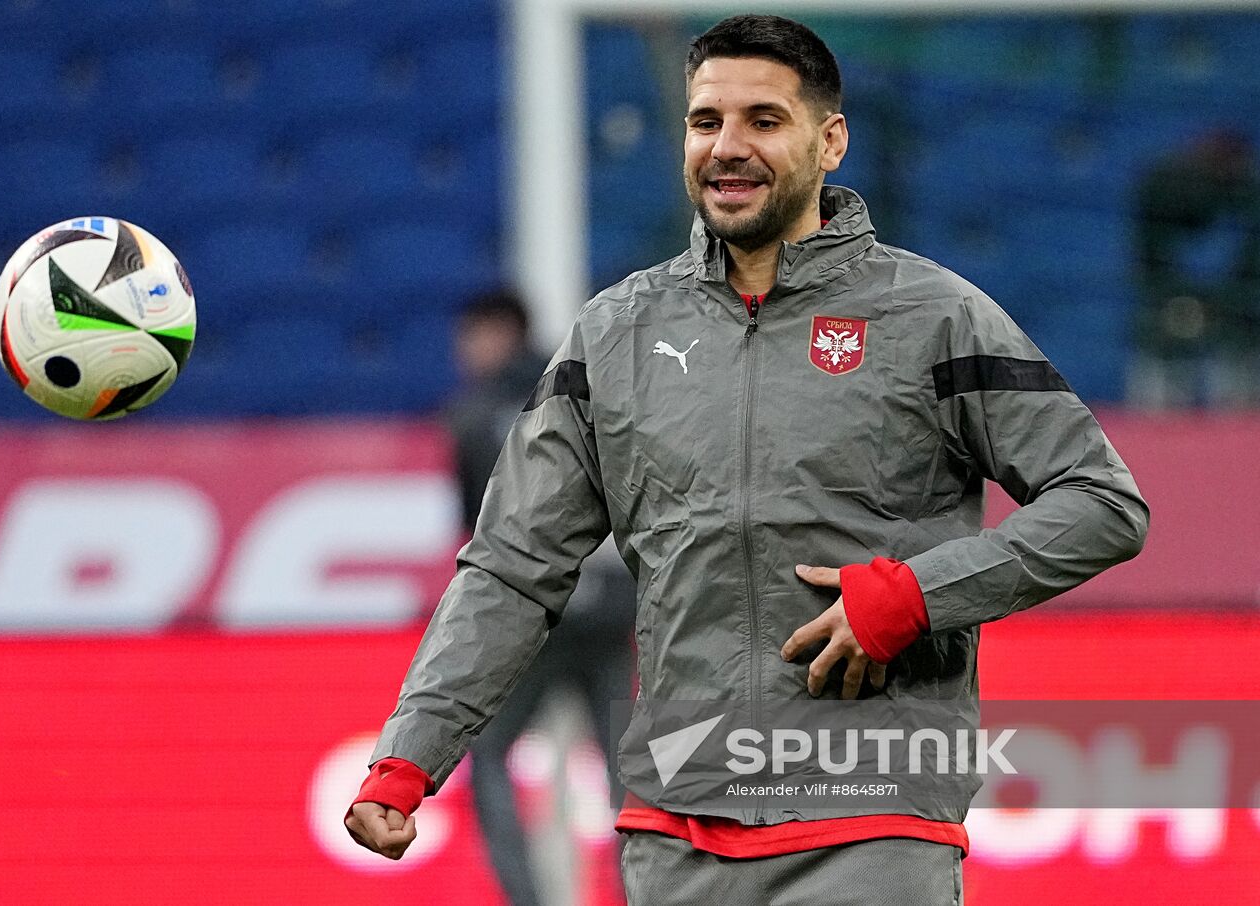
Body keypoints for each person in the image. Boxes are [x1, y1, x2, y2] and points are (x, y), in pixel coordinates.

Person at [346, 14, 1148, 903]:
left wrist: (917, 597)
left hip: (871, 819)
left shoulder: (935, 316)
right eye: (705, 122)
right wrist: (409, 754)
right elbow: (511, 566)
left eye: (763, 120)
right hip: (676, 831)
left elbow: (1102, 502)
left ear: (829, 140)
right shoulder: (616, 335)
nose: (727, 147)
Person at [444, 291, 634, 906]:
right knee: (635, 770)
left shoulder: (475, 414)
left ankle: (526, 898)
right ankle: (655, 892)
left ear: (497, 331)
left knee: (488, 752)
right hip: (613, 611)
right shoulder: (599, 391)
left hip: (537, 618)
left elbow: (479, 540)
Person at [1130, 128, 1260, 409]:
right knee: (1165, 337)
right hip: (1170, 296)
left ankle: (1239, 433)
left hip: (1234, 304)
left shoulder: (1247, 194)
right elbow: (1148, 259)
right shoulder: (1164, 187)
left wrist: (1227, 298)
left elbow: (1247, 264)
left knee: (1240, 344)